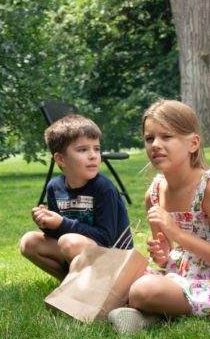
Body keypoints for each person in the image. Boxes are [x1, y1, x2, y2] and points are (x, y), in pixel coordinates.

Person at [107, 100, 210, 334]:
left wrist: (177, 234)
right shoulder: (154, 194)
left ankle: (149, 313)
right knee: (117, 276)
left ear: (193, 143)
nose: (155, 145)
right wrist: (162, 256)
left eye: (167, 136)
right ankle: (148, 317)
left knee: (142, 291)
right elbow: (165, 260)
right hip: (178, 277)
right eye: (149, 138)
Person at [20, 115, 131, 280]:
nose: (93, 155)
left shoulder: (103, 187)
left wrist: (62, 223)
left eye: (97, 148)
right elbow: (59, 233)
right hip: (77, 251)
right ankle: (72, 283)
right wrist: (46, 223)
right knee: (28, 242)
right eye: (83, 150)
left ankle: (89, 285)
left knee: (70, 242)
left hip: (116, 259)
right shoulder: (54, 187)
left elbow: (106, 238)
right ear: (60, 159)